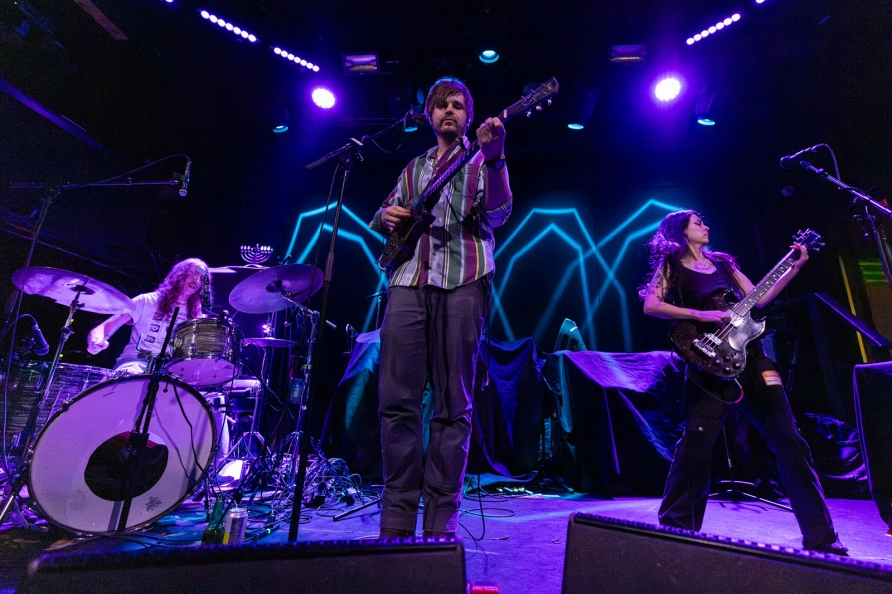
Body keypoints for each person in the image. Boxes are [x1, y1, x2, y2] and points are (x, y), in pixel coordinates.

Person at [640, 210, 847, 555]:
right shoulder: (671, 267)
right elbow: (651, 305)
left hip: (752, 358)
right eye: (698, 223)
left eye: (705, 221)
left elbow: (759, 298)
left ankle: (822, 537)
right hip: (709, 362)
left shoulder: (722, 262)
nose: (706, 226)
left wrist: (794, 266)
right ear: (680, 232)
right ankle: (677, 532)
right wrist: (700, 314)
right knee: (695, 444)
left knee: (791, 442)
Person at [368, 77, 512, 538]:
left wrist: (496, 156)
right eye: (440, 106)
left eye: (457, 105)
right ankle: (396, 517)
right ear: (429, 116)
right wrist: (385, 215)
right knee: (397, 402)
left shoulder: (481, 158)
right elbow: (385, 214)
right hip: (409, 280)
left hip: (464, 282)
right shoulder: (413, 168)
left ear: (468, 116)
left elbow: (499, 212)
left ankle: (441, 517)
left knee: (453, 403)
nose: (448, 111)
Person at [86, 258, 229, 461]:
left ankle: (210, 464)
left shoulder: (195, 317)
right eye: (193, 273)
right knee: (131, 377)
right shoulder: (146, 301)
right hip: (137, 361)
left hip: (170, 370)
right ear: (179, 275)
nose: (197, 280)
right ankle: (102, 440)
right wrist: (97, 339)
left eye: (202, 278)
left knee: (211, 401)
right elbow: (104, 328)